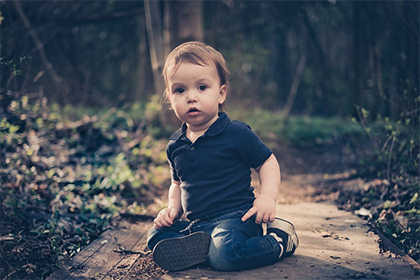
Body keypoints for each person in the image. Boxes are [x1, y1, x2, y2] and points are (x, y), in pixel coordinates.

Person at [147, 41, 298, 272]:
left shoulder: (236, 133)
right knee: (155, 235)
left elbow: (268, 162)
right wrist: (172, 210)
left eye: (202, 87)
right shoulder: (175, 144)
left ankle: (278, 240)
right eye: (180, 90)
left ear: (221, 93)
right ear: (169, 97)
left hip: (237, 219)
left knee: (226, 256)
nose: (191, 97)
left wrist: (267, 198)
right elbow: (177, 184)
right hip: (198, 225)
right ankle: (204, 250)